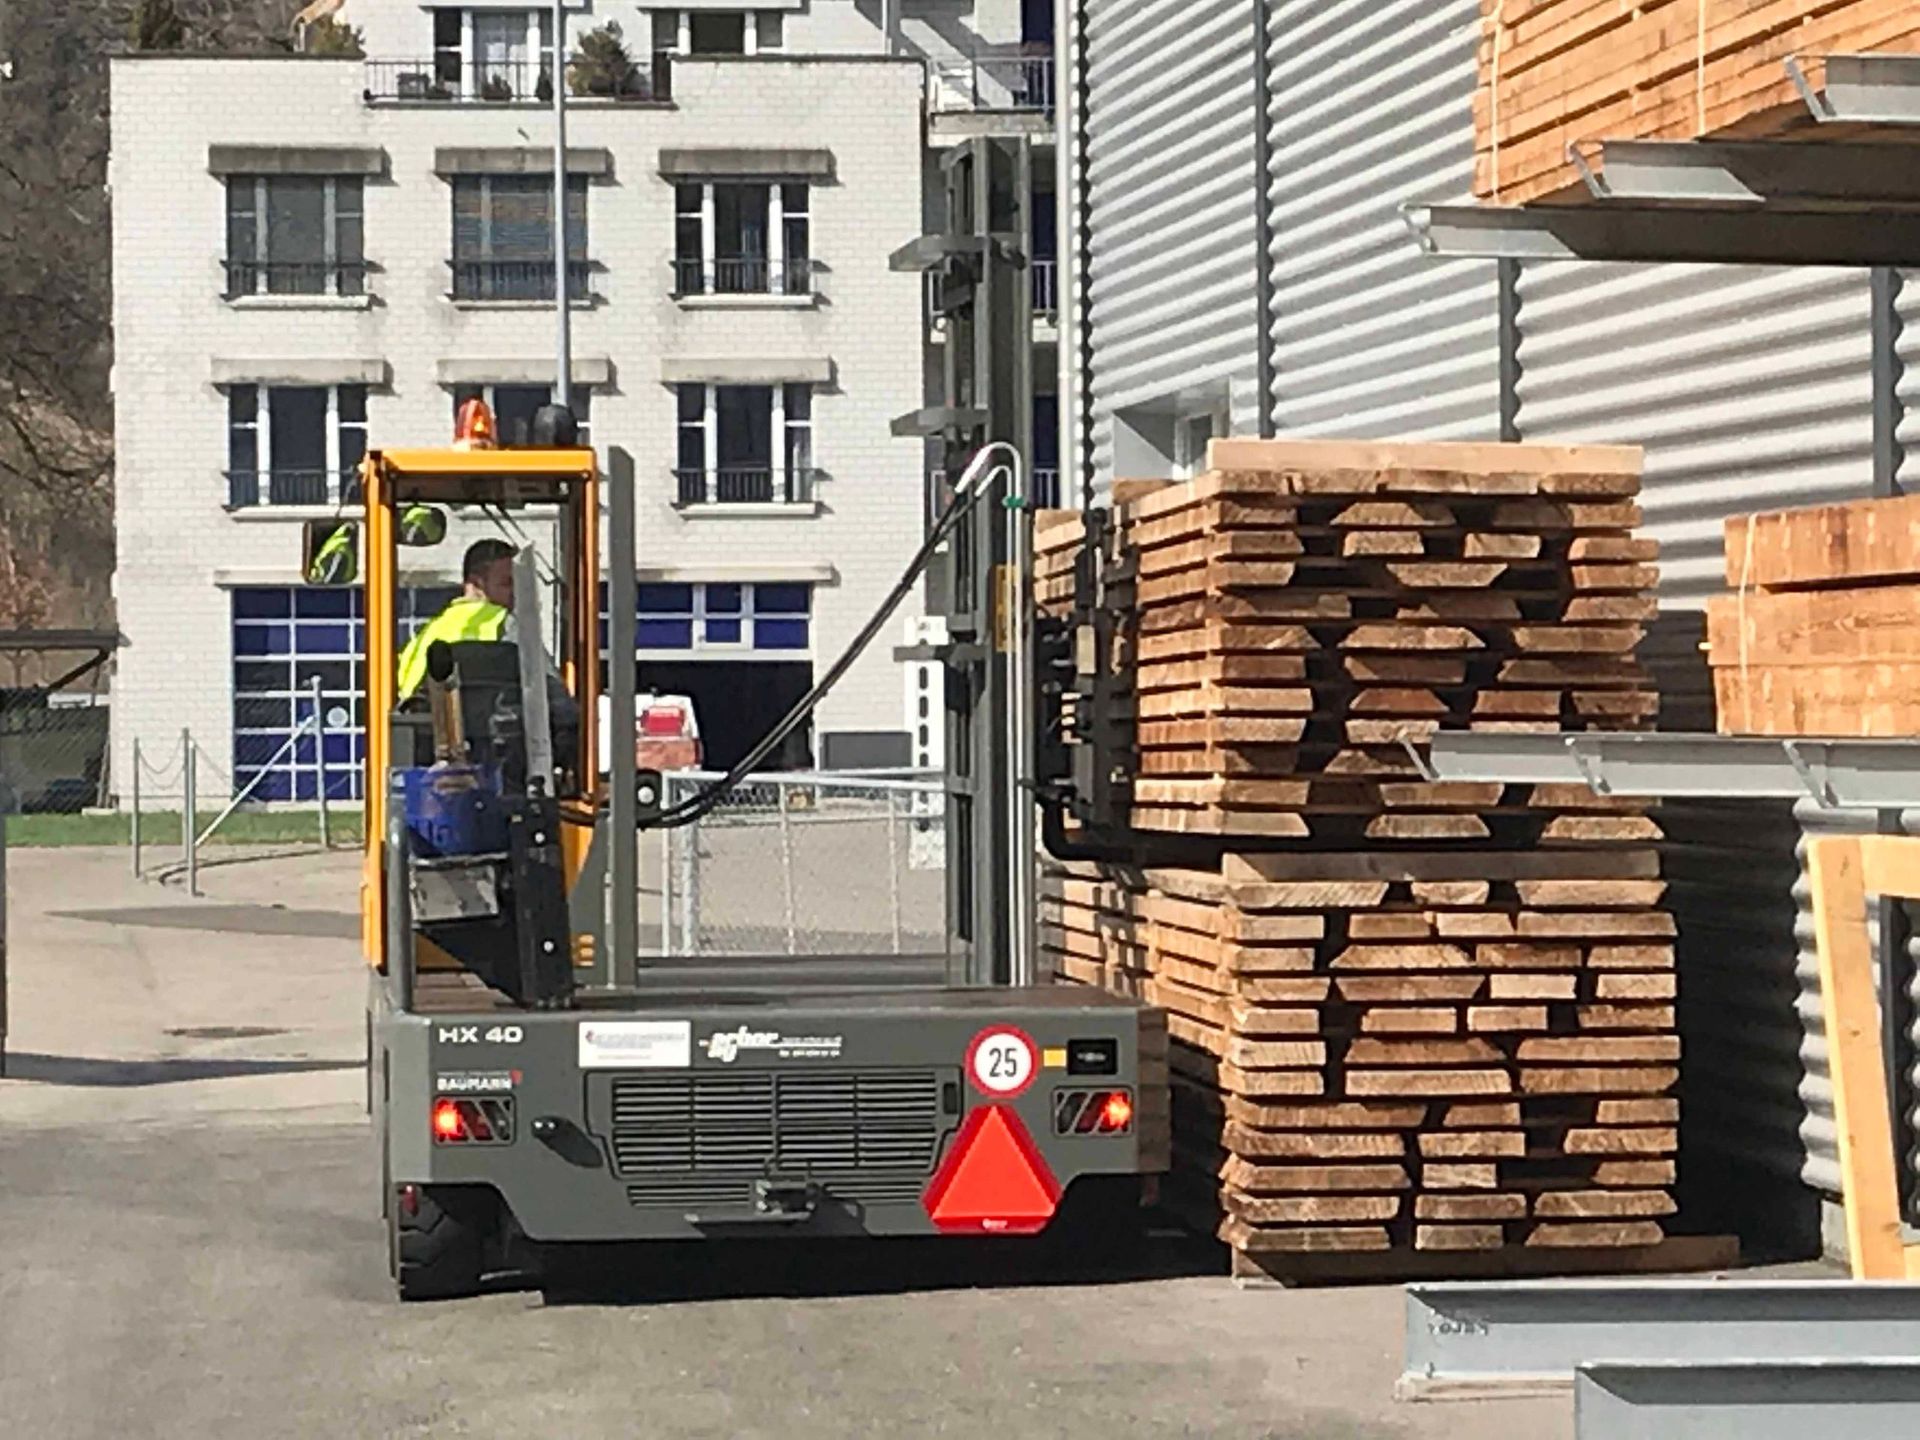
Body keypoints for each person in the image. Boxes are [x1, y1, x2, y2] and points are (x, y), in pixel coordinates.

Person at [396, 538, 518, 701]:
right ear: (476, 583)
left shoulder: (425, 635)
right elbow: (548, 688)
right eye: (506, 583)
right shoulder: (503, 623)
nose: (515, 592)